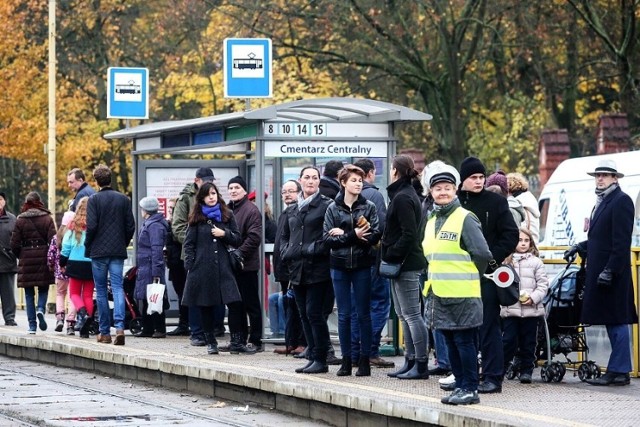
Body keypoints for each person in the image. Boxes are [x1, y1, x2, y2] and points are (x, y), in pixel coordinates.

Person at [421, 164, 492, 405]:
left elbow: (482, 253)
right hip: (439, 293)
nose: (442, 192)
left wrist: (472, 273)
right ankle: (460, 385)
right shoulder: (431, 220)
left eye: (447, 188)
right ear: (431, 192)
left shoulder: (464, 218)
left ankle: (470, 388)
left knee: (464, 343)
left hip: (463, 293)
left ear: (456, 190)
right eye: (438, 188)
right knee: (450, 343)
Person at [564, 159, 638, 386]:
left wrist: (610, 271)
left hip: (614, 274)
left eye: (605, 175)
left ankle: (620, 371)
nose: (600, 179)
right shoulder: (603, 201)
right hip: (603, 272)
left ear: (615, 178)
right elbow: (600, 238)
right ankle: (618, 370)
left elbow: (621, 242)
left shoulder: (621, 201)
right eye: (598, 175)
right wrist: (581, 246)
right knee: (611, 320)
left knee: (617, 320)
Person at [457, 157, 519, 393]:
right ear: (463, 180)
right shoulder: (454, 203)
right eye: (473, 177)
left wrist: (491, 259)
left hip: (488, 275)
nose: (478, 181)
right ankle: (465, 375)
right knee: (462, 328)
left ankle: (493, 377)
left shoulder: (496, 202)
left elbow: (511, 234)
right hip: (457, 275)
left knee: (489, 326)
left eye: (481, 177)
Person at [324, 164, 381, 377]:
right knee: (344, 315)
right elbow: (328, 239)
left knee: (363, 314)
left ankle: (364, 360)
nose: (358, 184)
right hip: (338, 266)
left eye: (360, 180)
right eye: (354, 180)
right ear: (343, 183)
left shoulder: (368, 207)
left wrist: (346, 233)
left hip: (362, 265)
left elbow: (374, 237)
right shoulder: (333, 208)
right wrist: (353, 235)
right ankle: (346, 360)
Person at [182, 181, 245, 355]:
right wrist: (191, 264)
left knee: (234, 303)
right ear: (201, 197)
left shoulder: (227, 214)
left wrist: (224, 234)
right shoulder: (196, 218)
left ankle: (237, 342)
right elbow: (189, 244)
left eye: (214, 193)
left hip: (224, 267)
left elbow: (237, 239)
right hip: (203, 268)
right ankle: (211, 341)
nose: (211, 197)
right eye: (208, 194)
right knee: (206, 305)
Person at [281, 166, 333, 374]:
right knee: (303, 314)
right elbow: (285, 235)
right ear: (300, 181)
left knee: (314, 314)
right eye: (306, 178)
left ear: (319, 181)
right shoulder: (292, 208)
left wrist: (311, 249)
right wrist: (287, 251)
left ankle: (321, 357)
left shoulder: (327, 205)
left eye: (314, 178)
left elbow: (329, 236)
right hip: (296, 268)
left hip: (318, 268)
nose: (310, 181)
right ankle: (312, 356)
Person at [382, 155, 429, 380]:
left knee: (412, 315)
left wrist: (391, 252)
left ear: (395, 171)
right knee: (404, 314)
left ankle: (420, 363)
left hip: (406, 263)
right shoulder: (404, 194)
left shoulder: (402, 197)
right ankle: (410, 360)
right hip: (402, 262)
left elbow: (409, 234)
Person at [85, 164, 136, 345]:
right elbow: (131, 226)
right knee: (117, 287)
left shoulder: (93, 200)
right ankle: (120, 328)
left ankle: (104, 332)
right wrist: (122, 242)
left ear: (96, 181)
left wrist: (88, 245)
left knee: (100, 290)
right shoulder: (123, 199)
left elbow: (91, 226)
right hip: (117, 251)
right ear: (110, 179)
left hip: (98, 252)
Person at [353, 158, 394, 368]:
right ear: (370, 173)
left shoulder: (345, 196)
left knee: (356, 307)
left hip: (351, 262)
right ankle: (369, 350)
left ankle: (354, 352)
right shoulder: (375, 195)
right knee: (379, 303)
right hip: (372, 259)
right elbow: (380, 228)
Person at [170, 167, 216, 344]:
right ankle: (197, 332)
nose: (209, 184)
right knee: (196, 294)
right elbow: (178, 226)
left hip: (213, 255)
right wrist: (194, 241)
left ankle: (213, 329)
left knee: (213, 295)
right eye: (206, 181)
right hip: (194, 254)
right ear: (197, 180)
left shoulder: (215, 199)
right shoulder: (186, 199)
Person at [501, 227, 549, 384]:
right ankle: (501, 368)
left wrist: (533, 298)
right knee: (508, 340)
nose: (523, 243)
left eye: (526, 240)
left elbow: (543, 285)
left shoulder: (536, 262)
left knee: (529, 342)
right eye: (520, 240)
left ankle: (526, 370)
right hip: (511, 310)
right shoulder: (506, 261)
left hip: (531, 310)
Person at [419, 160, 453, 381]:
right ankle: (443, 359)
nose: (441, 192)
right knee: (433, 316)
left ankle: (445, 361)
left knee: (441, 318)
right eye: (437, 187)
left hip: (445, 273)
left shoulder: (450, 212)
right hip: (432, 270)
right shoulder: (428, 208)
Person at [224, 176, 263, 352]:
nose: (233, 190)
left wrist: (239, 253)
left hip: (246, 265)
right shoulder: (227, 210)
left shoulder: (251, 210)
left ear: (245, 190)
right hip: (230, 266)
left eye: (237, 187)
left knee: (251, 304)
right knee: (235, 304)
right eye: (230, 187)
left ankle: (255, 340)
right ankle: (237, 340)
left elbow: (254, 237)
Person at [10, 191, 56, 334]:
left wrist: (21, 255)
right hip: (42, 257)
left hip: (26, 257)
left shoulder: (20, 220)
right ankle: (41, 309)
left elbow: (14, 244)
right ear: (39, 202)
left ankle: (32, 326)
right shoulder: (47, 218)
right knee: (43, 288)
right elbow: (53, 241)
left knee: (29, 294)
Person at [272, 180, 306, 355]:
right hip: (284, 269)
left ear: (299, 193)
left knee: (297, 307)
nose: (287, 194)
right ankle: (290, 342)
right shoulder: (284, 212)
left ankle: (301, 342)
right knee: (288, 306)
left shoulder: (299, 212)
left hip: (294, 268)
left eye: (291, 191)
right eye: (284, 191)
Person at [134, 196, 170, 338]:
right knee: (146, 297)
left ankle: (159, 328)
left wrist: (156, 271)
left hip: (151, 266)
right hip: (146, 266)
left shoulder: (154, 225)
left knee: (155, 297)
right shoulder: (150, 223)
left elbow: (156, 249)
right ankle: (147, 328)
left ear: (146, 210)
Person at [59, 197, 95, 339]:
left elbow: (66, 245)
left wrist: (62, 261)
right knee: (87, 295)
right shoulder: (95, 224)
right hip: (91, 263)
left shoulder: (73, 224)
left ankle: (82, 313)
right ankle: (88, 321)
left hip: (74, 262)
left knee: (74, 293)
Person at [47, 210, 76, 334]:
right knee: (73, 296)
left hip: (59, 273)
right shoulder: (76, 236)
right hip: (74, 272)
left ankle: (60, 318)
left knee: (60, 294)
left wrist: (51, 265)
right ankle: (70, 323)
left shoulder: (56, 237)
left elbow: (50, 255)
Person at [165, 197, 190, 337]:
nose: (170, 211)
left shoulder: (179, 225)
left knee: (182, 293)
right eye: (169, 208)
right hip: (174, 262)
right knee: (180, 292)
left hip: (179, 263)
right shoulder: (171, 224)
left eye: (172, 208)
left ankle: (184, 323)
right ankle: (184, 322)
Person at [507, 172, 541, 244]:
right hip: (533, 246)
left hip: (523, 248)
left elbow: (520, 228)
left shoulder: (517, 204)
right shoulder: (530, 200)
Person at [0, 191, 18, 327]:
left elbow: (17, 239)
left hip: (7, 261)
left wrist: (13, 253)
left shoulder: (12, 219)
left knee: (8, 293)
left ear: (4, 201)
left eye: (0, 199)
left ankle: (9, 317)